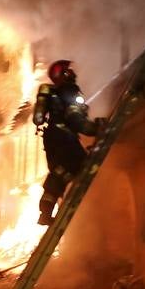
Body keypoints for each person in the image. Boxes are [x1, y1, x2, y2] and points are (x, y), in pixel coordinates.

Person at [33, 59, 106, 225]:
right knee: (82, 165)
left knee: (58, 174)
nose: (73, 73)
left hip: (50, 138)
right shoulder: (70, 91)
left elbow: (38, 119)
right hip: (65, 137)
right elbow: (76, 119)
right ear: (63, 73)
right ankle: (78, 210)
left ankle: (45, 213)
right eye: (69, 70)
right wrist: (96, 128)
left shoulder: (52, 93)